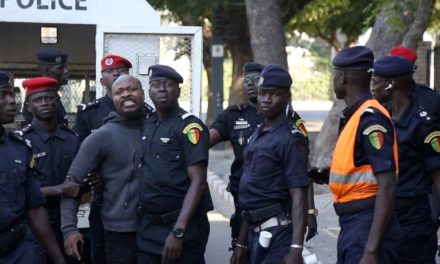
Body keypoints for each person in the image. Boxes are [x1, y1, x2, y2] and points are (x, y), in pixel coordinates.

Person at [210, 62, 316, 250]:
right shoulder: (240, 119)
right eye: (248, 80)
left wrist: (309, 212)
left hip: (276, 217)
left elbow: (301, 176)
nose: (252, 84)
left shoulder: (289, 128)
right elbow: (205, 141)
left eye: (255, 80)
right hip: (246, 213)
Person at [311, 46, 401, 263]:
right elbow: (362, 168)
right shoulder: (356, 115)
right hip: (354, 226)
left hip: (366, 227)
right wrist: (327, 175)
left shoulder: (371, 119)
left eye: (335, 75)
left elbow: (388, 183)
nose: (333, 80)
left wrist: (370, 250)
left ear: (342, 78)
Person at [72, 54, 154, 264]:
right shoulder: (91, 113)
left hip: (145, 210)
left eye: (121, 70)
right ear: (103, 82)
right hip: (105, 200)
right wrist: (94, 174)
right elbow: (81, 156)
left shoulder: (151, 117)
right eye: (110, 71)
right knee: (101, 250)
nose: (116, 73)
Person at [230, 64, 309, 264]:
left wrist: (296, 249)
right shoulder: (258, 133)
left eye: (274, 94)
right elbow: (253, 196)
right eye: (263, 93)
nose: (266, 99)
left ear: (287, 97)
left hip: (278, 235)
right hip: (254, 234)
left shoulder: (290, 139)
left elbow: (298, 194)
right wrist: (241, 243)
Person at [137, 64, 212, 263]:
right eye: (156, 84)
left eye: (168, 84)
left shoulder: (189, 126)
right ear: (149, 90)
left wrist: (179, 231)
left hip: (181, 227)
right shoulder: (147, 124)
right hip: (148, 227)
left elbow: (198, 182)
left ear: (178, 90)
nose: (162, 89)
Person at [371, 55, 440, 263]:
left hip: (414, 217)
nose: (372, 88)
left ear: (391, 84)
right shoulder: (378, 117)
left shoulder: (423, 123)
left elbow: (438, 176)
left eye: (376, 83)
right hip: (383, 214)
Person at [0, 71, 65, 264]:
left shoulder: (18, 148)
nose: (12, 101)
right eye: (3, 95)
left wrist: (59, 259)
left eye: (12, 94)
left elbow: (35, 209)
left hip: (18, 251)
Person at [19, 77, 81, 263]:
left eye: (49, 98)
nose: (44, 103)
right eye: (38, 100)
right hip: (32, 227)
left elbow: (80, 184)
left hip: (67, 223)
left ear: (57, 101)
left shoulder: (72, 140)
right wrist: (61, 189)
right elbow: (20, 191)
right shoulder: (21, 143)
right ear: (29, 107)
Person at [22, 48, 70, 126]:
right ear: (46, 70)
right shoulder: (37, 99)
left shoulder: (54, 96)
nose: (66, 71)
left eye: (66, 67)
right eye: (60, 68)